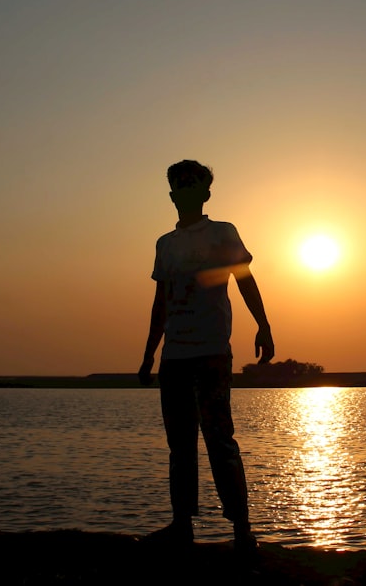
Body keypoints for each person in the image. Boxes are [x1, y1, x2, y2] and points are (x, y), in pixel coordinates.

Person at [138, 159, 274, 554]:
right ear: (171, 195)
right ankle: (182, 527)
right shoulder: (165, 244)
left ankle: (242, 531)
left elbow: (244, 279)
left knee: (220, 440)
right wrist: (149, 354)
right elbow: (159, 302)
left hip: (212, 353)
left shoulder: (222, 233)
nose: (185, 187)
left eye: (193, 182)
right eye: (178, 183)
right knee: (180, 446)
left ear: (205, 192)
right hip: (174, 357)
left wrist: (263, 326)